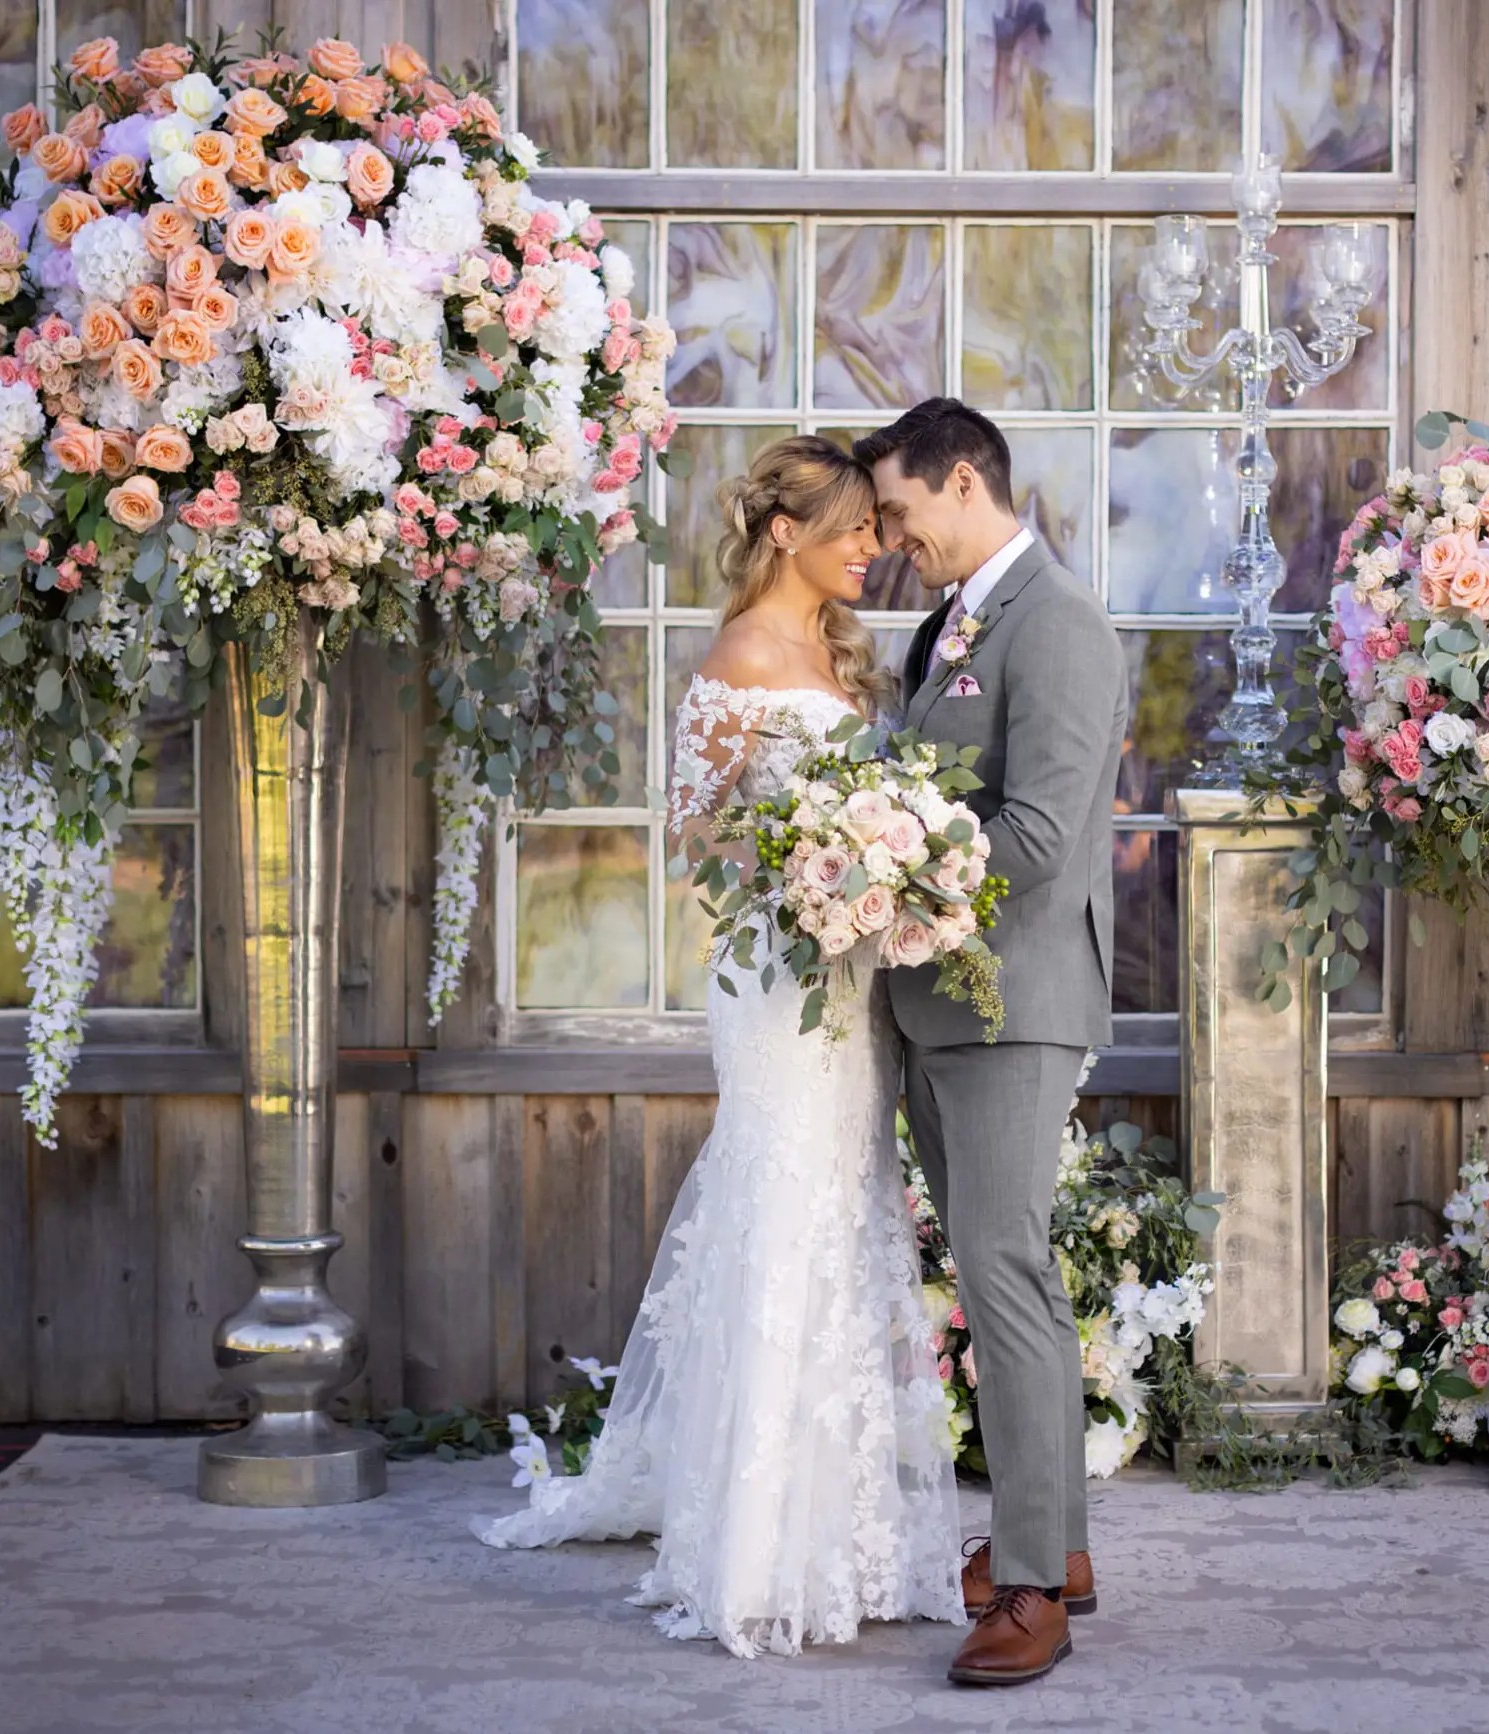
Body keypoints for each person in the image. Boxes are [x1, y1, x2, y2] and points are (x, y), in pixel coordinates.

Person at [470, 435, 964, 1659]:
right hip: (773, 982)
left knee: (847, 1214)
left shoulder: (846, 654)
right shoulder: (742, 653)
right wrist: (812, 868)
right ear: (784, 532)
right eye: (851, 529)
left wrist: (880, 866)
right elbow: (698, 835)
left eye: (875, 529)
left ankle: (841, 1530)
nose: (871, 549)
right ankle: (753, 1552)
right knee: (783, 1212)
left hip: (849, 985)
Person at [857, 398, 1125, 1688]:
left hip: (1011, 1006)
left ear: (962, 482)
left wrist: (881, 866)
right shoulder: (950, 623)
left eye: (901, 514)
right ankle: (1052, 1547)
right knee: (998, 1278)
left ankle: (1029, 1591)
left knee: (1006, 1281)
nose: (895, 542)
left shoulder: (1060, 625)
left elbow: (1039, 841)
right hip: (939, 1005)